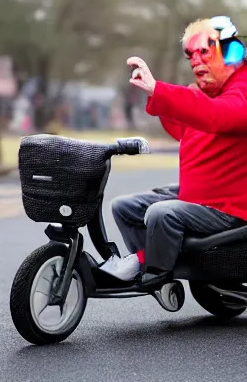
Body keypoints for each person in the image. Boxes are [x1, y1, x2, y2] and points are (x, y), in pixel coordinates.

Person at [100, 16, 247, 289]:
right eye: (191, 54)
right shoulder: (211, 91)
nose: (195, 61)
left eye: (205, 51)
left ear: (232, 53)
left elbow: (219, 117)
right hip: (197, 199)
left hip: (230, 208)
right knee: (124, 207)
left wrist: (163, 92)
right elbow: (186, 130)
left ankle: (149, 267)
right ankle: (162, 270)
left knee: (161, 214)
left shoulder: (242, 89)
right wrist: (170, 101)